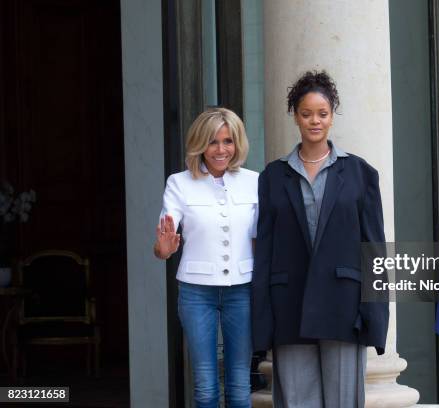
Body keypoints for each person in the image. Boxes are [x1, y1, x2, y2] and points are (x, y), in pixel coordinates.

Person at [251, 71, 389, 408]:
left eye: (322, 114)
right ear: (295, 116)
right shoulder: (272, 176)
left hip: (344, 308)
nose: (315, 121)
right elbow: (265, 252)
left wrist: (374, 317)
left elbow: (374, 251)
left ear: (332, 115)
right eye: (306, 113)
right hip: (289, 308)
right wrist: (263, 321)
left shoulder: (360, 174)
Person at [154, 108, 258, 408]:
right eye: (213, 142)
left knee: (239, 384)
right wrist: (164, 248)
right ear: (200, 144)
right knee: (206, 386)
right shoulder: (179, 183)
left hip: (242, 290)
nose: (221, 149)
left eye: (228, 141)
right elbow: (164, 243)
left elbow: (260, 239)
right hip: (197, 292)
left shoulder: (254, 181)